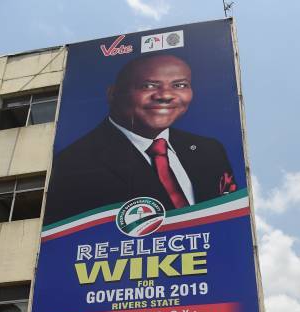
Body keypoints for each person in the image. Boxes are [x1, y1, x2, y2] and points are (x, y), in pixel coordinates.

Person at [44, 54, 237, 225]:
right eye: (148, 85)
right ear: (113, 94)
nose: (166, 96)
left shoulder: (209, 150)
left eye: (179, 85)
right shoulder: (75, 163)